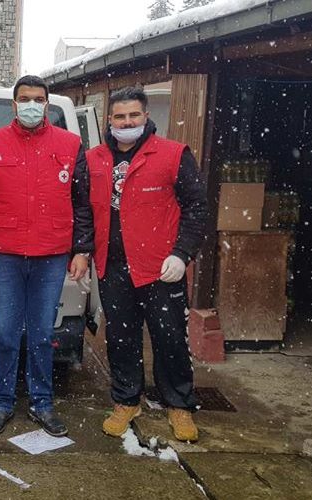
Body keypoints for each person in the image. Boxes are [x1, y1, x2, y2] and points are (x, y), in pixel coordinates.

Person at [0, 75, 93, 438]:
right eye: (25, 99)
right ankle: (2, 401)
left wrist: (82, 249)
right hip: (3, 254)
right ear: (14, 104)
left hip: (51, 255)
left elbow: (82, 203)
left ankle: (42, 402)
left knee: (41, 334)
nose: (32, 105)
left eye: (38, 99)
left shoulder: (70, 144)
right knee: (5, 333)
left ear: (47, 104)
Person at [88, 86, 208, 442]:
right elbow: (83, 210)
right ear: (109, 119)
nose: (127, 122)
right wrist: (81, 251)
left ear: (146, 116)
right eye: (120, 116)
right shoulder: (94, 158)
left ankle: (179, 404)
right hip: (113, 266)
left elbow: (197, 208)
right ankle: (127, 400)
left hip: (160, 268)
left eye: (133, 115)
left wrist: (182, 253)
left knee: (170, 338)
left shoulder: (172, 154)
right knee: (121, 337)